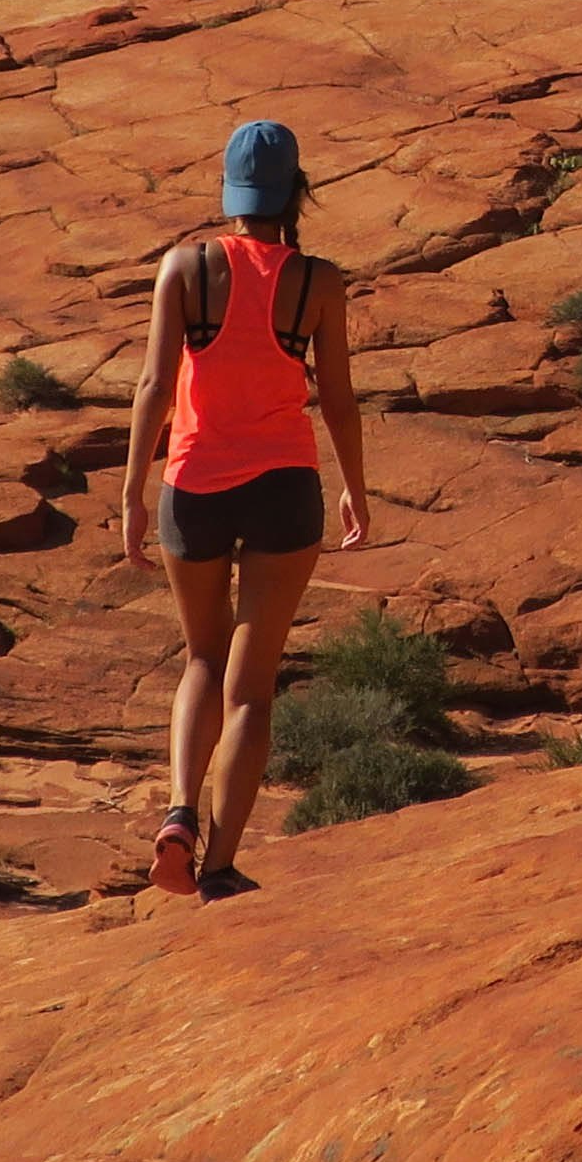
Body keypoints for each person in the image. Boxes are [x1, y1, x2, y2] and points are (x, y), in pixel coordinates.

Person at [118, 117, 369, 899]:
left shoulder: (183, 266)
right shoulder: (317, 280)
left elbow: (155, 387)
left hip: (192, 486)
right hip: (283, 488)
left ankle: (178, 814)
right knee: (251, 686)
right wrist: (357, 484)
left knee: (200, 656)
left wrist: (131, 490)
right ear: (296, 192)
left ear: (229, 192)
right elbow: (336, 396)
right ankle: (220, 863)